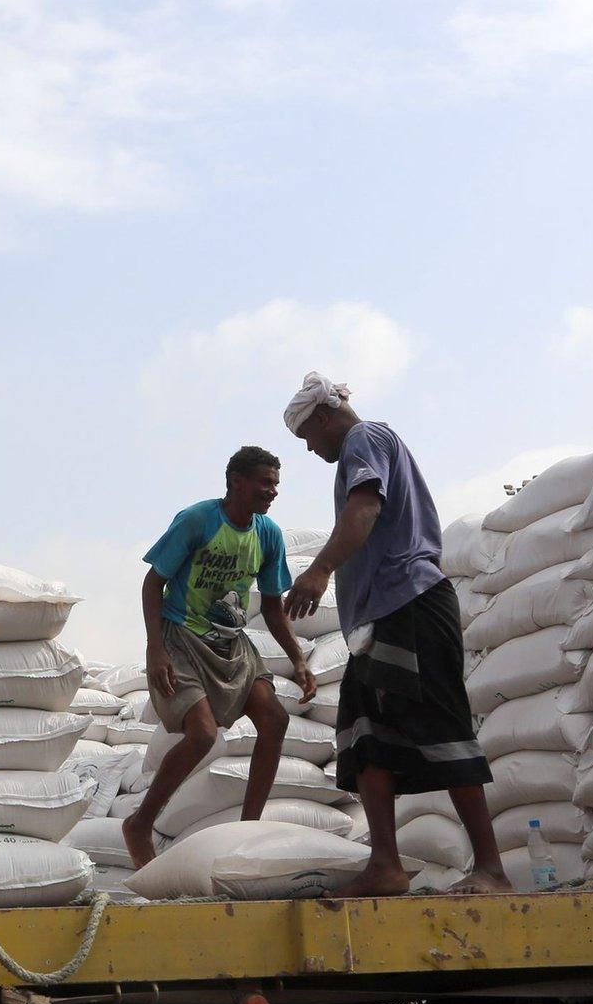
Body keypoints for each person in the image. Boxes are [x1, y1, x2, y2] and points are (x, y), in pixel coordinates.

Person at [281, 372, 506, 896]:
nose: (312, 450)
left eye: (308, 438)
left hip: (412, 605)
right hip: (379, 619)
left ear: (322, 416)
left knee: (441, 724)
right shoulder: (364, 446)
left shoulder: (367, 438)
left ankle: (493, 869)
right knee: (364, 736)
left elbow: (365, 509)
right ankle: (386, 865)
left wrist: (319, 571)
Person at [123, 446, 316, 868]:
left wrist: (298, 659)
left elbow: (270, 606)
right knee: (203, 735)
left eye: (276, 485)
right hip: (182, 638)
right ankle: (140, 823)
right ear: (236, 481)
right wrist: (155, 650)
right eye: (265, 483)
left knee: (274, 719)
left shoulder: (268, 534)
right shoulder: (198, 520)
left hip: (230, 642)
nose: (272, 492)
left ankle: (246, 830)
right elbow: (152, 584)